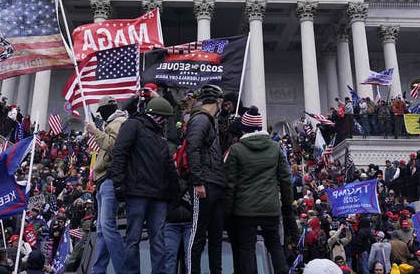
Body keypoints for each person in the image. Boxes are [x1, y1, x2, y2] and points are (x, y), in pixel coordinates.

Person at [112, 97, 179, 274]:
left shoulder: (159, 135)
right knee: (133, 238)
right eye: (163, 117)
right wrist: (118, 184)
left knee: (157, 240)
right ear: (156, 115)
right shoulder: (132, 125)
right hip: (138, 193)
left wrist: (175, 192)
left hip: (158, 195)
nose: (165, 121)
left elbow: (168, 164)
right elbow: (119, 153)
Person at [224, 107, 293, 274]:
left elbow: (230, 184)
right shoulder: (275, 148)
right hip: (270, 208)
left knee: (247, 249)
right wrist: (287, 208)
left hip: (245, 210)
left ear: (244, 128)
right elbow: (285, 181)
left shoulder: (236, 149)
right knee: (275, 246)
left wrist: (226, 213)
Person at [185, 84, 227, 274]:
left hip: (217, 183)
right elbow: (192, 148)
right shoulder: (200, 120)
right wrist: (198, 181)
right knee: (198, 234)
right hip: (205, 184)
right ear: (217, 102)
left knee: (216, 236)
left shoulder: (210, 121)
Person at [86, 95, 127, 274]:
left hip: (110, 178)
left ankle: (124, 270)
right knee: (102, 229)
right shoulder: (111, 123)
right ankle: (98, 269)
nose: (100, 115)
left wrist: (94, 131)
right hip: (103, 180)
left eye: (101, 111)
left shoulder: (118, 122)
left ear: (105, 110)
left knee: (108, 227)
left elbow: (113, 145)